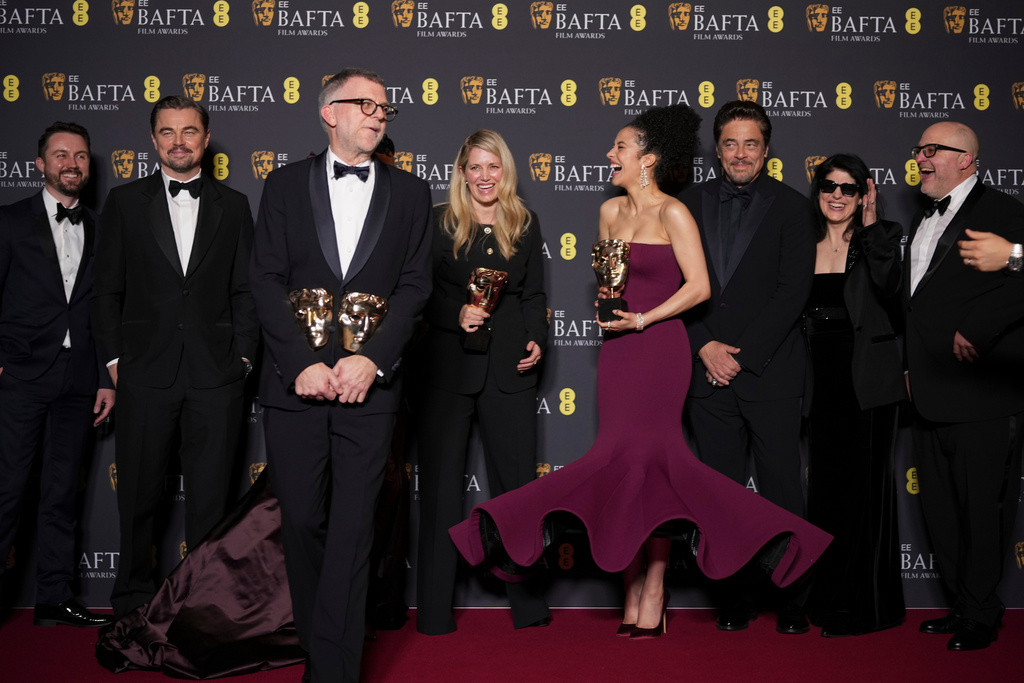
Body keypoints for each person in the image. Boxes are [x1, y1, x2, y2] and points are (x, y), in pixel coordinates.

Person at [449, 104, 832, 640]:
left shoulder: (675, 212)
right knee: (617, 469)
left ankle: (656, 587)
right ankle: (630, 586)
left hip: (659, 350)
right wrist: (610, 310)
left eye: (620, 148)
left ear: (647, 159)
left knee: (656, 471)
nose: (610, 154)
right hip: (619, 353)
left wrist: (644, 318)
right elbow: (613, 285)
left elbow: (699, 287)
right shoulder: (609, 212)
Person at [250, 67, 432, 682]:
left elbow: (415, 288)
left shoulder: (411, 193)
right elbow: (264, 280)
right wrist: (300, 363)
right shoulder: (282, 185)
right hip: (296, 388)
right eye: (366, 104)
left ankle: (333, 670)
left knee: (354, 530)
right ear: (330, 113)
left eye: (385, 108)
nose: (379, 115)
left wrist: (372, 360)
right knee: (302, 522)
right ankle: (320, 645)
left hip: (370, 390)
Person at [92, 96, 259, 618]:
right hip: (145, 373)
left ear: (205, 140)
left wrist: (243, 359)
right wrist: (116, 363)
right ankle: (131, 605)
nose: (178, 141)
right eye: (168, 132)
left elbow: (246, 291)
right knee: (137, 498)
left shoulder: (235, 205)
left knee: (212, 502)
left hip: (216, 375)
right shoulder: (124, 202)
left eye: (189, 131)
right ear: (153, 140)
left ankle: (200, 608)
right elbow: (106, 290)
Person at [679, 100, 816, 634]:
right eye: (730, 143)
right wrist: (703, 346)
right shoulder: (685, 204)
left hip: (770, 372)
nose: (740, 153)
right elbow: (673, 285)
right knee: (720, 493)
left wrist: (739, 356)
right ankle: (732, 597)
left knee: (783, 490)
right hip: (706, 374)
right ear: (717, 149)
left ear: (766, 149)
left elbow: (792, 293)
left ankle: (793, 598)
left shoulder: (794, 207)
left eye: (751, 143)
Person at [414, 129, 550, 635]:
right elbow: (419, 291)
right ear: (462, 172)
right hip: (447, 370)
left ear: (505, 170)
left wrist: (537, 338)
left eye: (494, 166)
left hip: (510, 369)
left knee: (517, 491)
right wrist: (455, 314)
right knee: (441, 493)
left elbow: (534, 294)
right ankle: (433, 612)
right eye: (476, 166)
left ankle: (528, 606)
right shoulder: (438, 221)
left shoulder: (525, 222)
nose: (485, 176)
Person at [904, 122, 1024, 651]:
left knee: (982, 509)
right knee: (941, 510)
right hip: (928, 392)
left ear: (966, 159)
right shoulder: (923, 215)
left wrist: (980, 328)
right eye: (919, 149)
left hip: (982, 393)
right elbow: (916, 304)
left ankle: (981, 611)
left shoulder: (1002, 211)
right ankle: (961, 603)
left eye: (933, 150)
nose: (921, 158)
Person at [0, 122, 114, 628]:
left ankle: (54, 597)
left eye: (81, 156)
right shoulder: (9, 221)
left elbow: (106, 310)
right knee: (7, 489)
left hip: (79, 379)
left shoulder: (102, 227)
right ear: (40, 164)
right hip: (20, 376)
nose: (72, 163)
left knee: (62, 492)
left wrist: (106, 377)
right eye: (61, 154)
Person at [802, 154, 906, 637]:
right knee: (826, 491)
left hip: (868, 382)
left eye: (849, 188)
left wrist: (870, 227)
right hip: (819, 383)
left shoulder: (880, 238)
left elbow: (895, 291)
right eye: (829, 186)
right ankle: (827, 596)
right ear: (818, 190)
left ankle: (866, 605)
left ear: (864, 194)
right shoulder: (802, 242)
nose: (837, 196)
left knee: (866, 492)